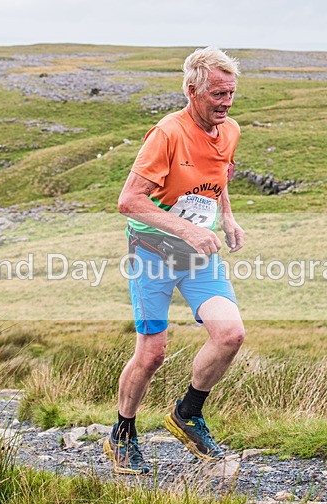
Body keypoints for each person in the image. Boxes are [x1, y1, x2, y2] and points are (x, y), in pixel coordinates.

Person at [104, 47, 246, 475]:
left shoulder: (231, 130)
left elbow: (219, 178)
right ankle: (122, 433)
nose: (225, 103)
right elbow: (128, 201)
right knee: (152, 355)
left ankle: (187, 414)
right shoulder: (167, 134)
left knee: (230, 334)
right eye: (217, 94)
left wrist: (226, 216)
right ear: (191, 90)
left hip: (198, 256)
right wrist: (186, 228)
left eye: (231, 93)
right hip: (152, 254)